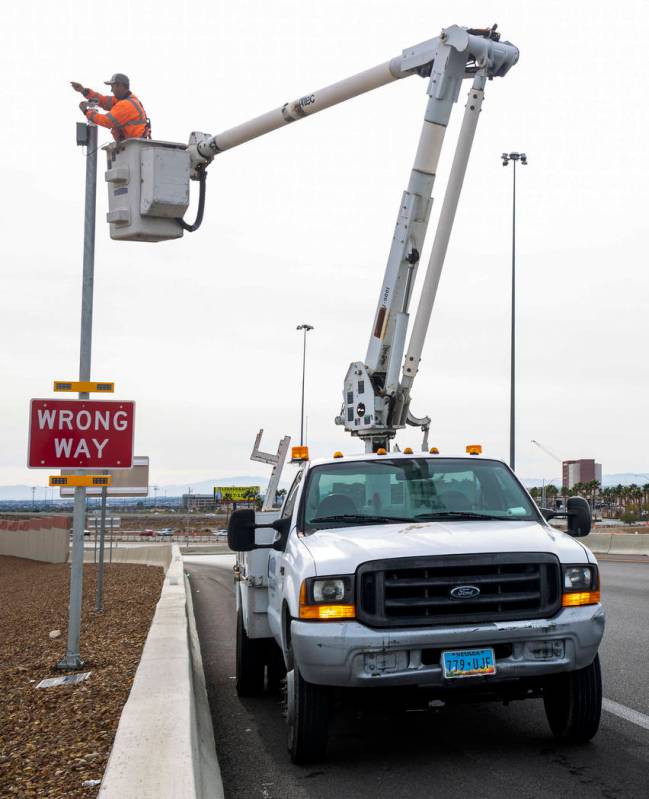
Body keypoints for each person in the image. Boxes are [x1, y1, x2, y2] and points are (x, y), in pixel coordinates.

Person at [71, 73, 150, 141]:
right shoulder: (127, 99)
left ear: (120, 86)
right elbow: (102, 100)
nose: (111, 90)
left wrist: (86, 112)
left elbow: (107, 121)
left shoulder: (126, 105)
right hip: (131, 145)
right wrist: (83, 91)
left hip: (132, 147)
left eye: (113, 87)